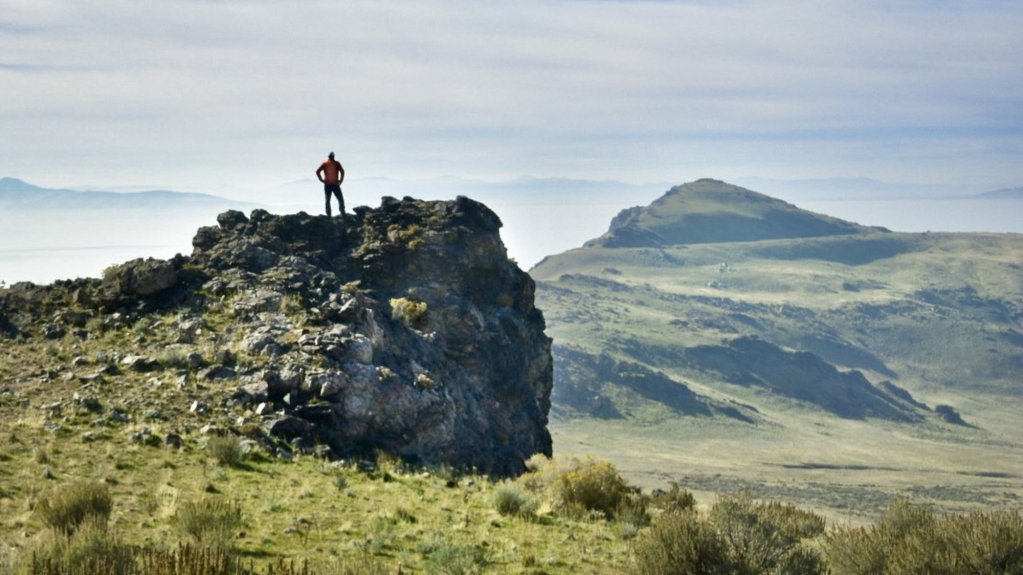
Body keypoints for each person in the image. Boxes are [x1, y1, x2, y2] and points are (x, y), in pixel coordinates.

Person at [316, 152, 345, 217]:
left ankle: (329, 214)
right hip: (335, 184)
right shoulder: (337, 163)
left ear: (328, 156)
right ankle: (342, 212)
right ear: (333, 156)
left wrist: (321, 179)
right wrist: (341, 180)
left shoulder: (325, 163)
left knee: (328, 200)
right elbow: (342, 171)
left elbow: (317, 171)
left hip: (327, 184)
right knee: (340, 198)